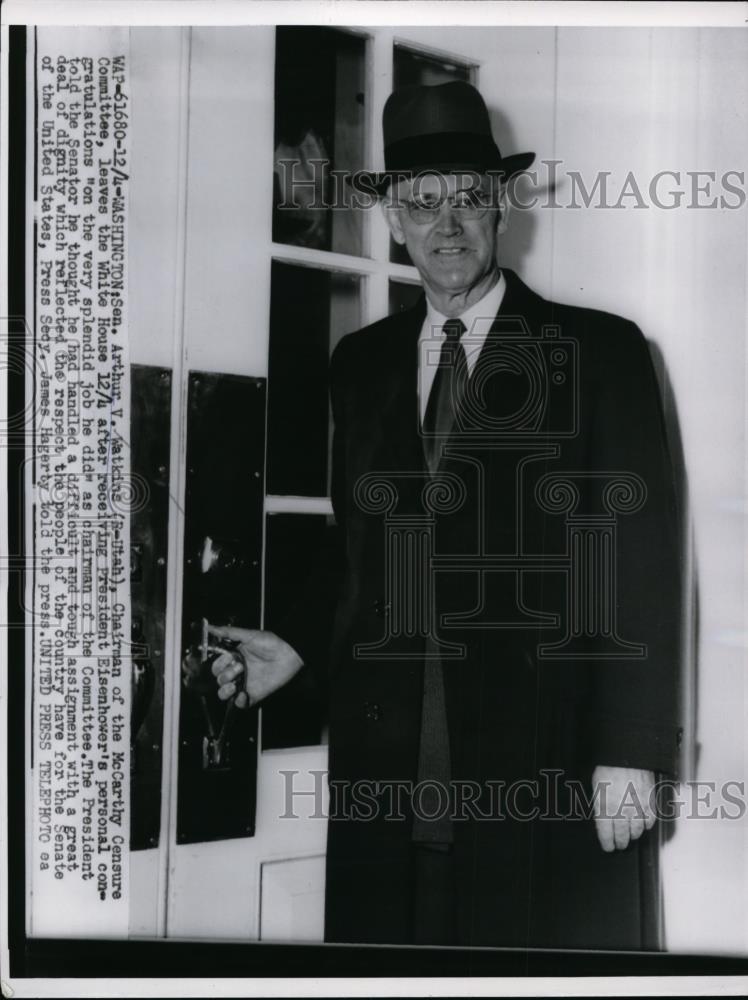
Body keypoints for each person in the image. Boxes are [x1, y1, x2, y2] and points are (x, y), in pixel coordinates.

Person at [209, 81, 683, 949]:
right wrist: (299, 645)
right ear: (394, 220)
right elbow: (357, 544)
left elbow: (642, 560)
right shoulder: (361, 364)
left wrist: (633, 748)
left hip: (545, 755)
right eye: (423, 204)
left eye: (468, 198)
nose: (448, 225)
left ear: (501, 207)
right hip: (394, 762)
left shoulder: (601, 351)